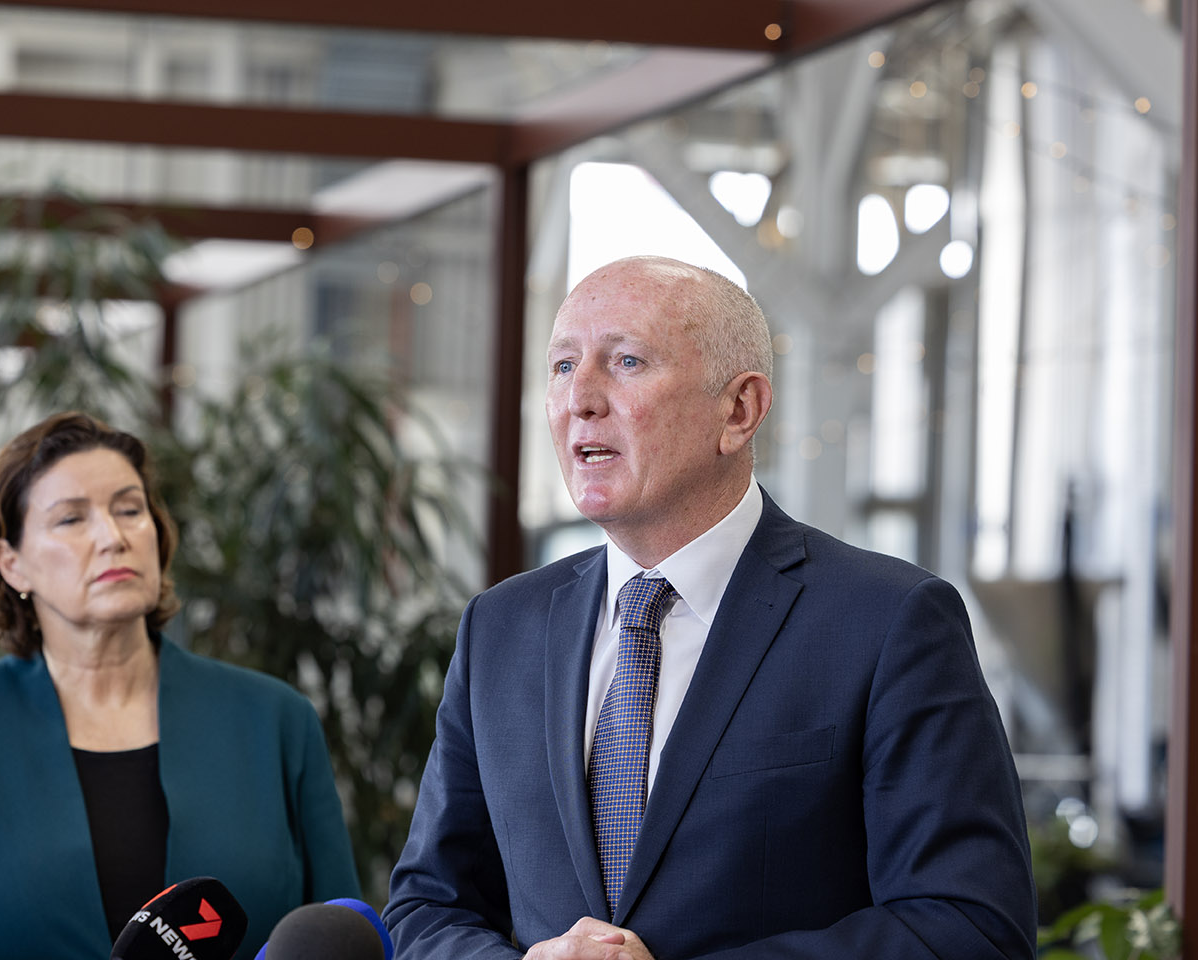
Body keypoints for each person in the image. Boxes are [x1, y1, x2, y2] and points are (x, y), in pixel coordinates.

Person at [384, 256, 1037, 959]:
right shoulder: (501, 628)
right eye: (563, 366)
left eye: (627, 361)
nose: (581, 399)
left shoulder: (889, 622)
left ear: (739, 410)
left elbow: (970, 928)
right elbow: (428, 907)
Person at [0, 411, 360, 960]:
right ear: (12, 564)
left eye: (130, 510)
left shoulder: (275, 721)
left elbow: (343, 935)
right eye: (71, 519)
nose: (113, 537)